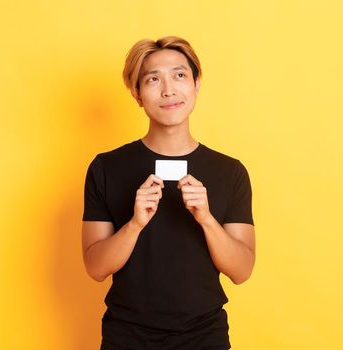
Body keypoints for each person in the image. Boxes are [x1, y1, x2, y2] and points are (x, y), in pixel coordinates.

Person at [81, 36, 256, 349]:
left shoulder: (230, 172)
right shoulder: (106, 168)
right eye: (152, 79)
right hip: (128, 336)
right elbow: (95, 268)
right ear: (137, 93)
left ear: (196, 84)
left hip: (204, 336)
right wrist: (134, 224)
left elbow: (242, 271)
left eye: (179, 76)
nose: (168, 90)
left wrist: (207, 219)